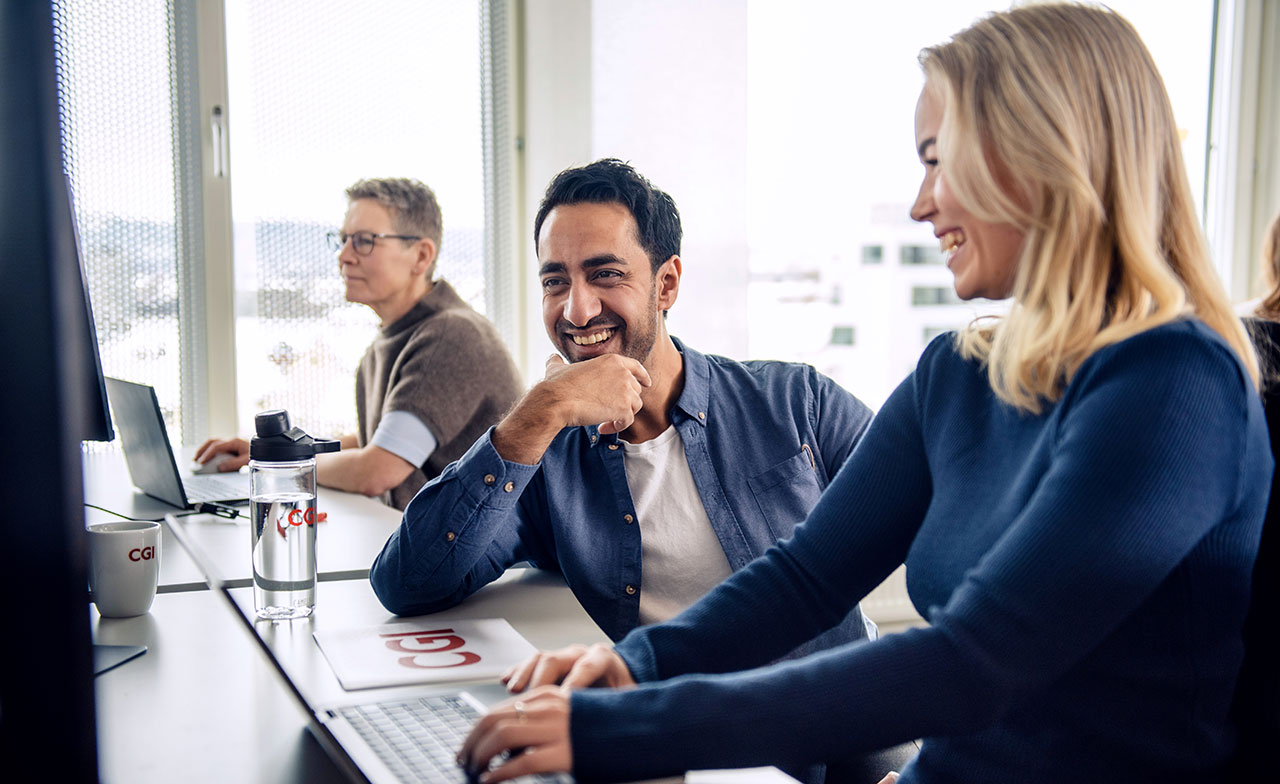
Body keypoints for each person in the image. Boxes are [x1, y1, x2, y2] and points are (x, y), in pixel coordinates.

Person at [457, 5, 1272, 784]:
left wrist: (627, 727)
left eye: (935, 160)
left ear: (1044, 154)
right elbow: (806, 577)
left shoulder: (1176, 384)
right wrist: (635, 668)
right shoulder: (957, 371)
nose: (922, 204)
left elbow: (974, 663)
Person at [369, 158, 879, 650]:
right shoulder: (549, 462)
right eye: (555, 282)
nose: (577, 310)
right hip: (677, 727)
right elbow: (407, 582)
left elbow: (939, 503)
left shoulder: (794, 401)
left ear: (666, 285)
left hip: (844, 718)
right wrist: (540, 409)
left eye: (606, 275)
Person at [195, 177, 523, 511]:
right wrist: (275, 449)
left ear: (421, 256)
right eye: (343, 240)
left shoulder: (451, 336)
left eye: (364, 241)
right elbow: (379, 441)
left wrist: (282, 464)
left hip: (477, 558)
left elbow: (378, 469)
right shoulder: (397, 336)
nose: (344, 256)